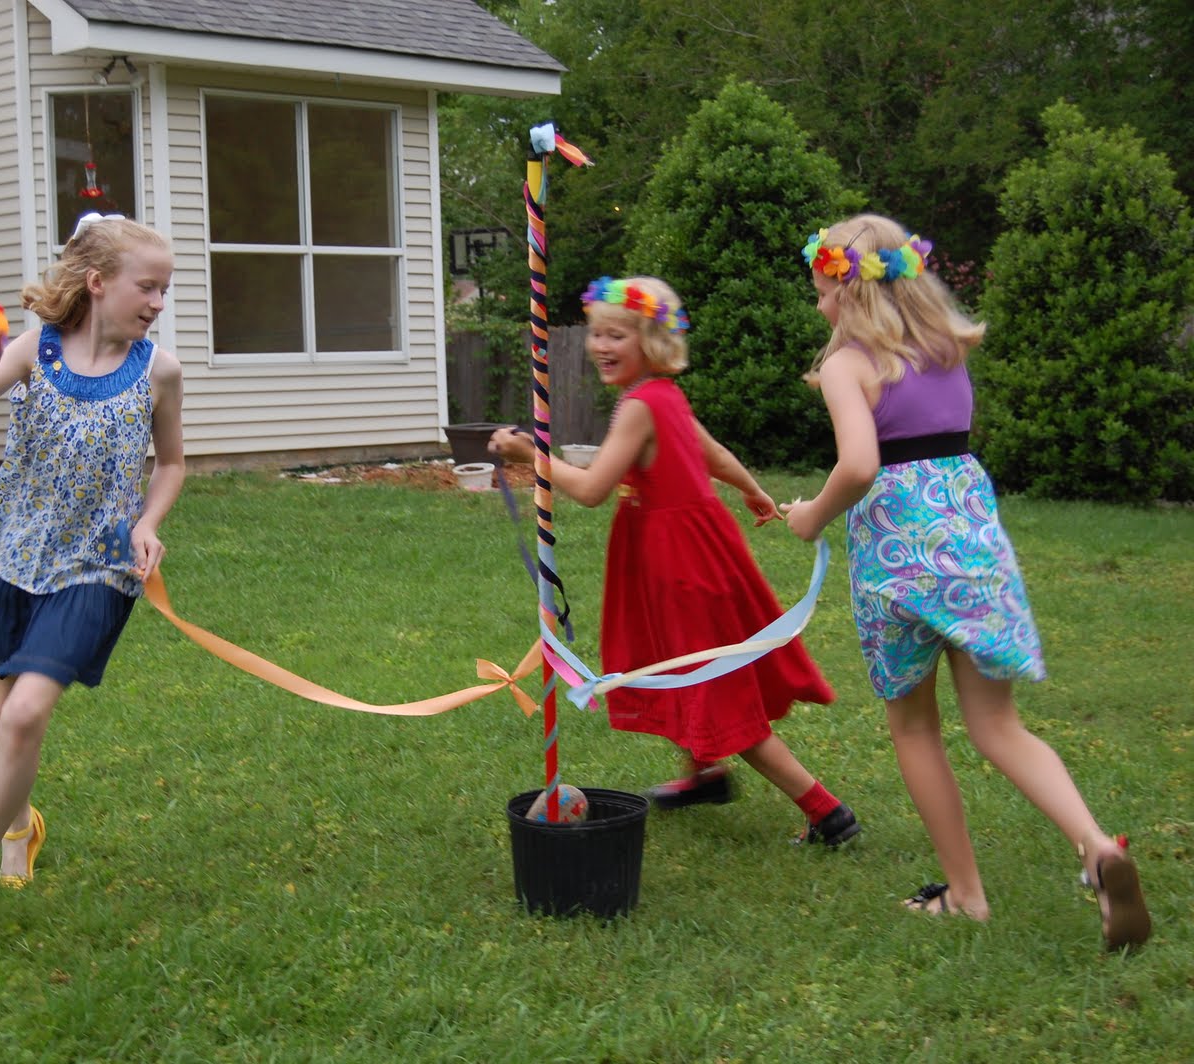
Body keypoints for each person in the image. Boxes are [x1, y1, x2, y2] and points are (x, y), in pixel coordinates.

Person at [782, 213, 1150, 949]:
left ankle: (968, 894)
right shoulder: (949, 352)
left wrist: (810, 517)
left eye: (823, 291)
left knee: (916, 728)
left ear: (851, 294)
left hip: (895, 563)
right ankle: (1095, 845)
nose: (819, 305)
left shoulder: (848, 366)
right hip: (972, 557)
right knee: (999, 727)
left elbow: (859, 465)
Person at [489, 276, 858, 847]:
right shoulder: (665, 396)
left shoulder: (640, 405)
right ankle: (704, 775)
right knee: (678, 667)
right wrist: (752, 489)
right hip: (689, 556)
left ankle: (825, 810)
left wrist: (528, 454)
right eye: (597, 334)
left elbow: (591, 489)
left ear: (652, 342)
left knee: (717, 692)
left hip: (680, 568)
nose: (601, 346)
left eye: (618, 335)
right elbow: (714, 455)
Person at [0, 213, 185, 940]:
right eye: (146, 287)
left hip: (97, 566)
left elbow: (174, 463)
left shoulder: (159, 371)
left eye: (165, 289)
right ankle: (18, 825)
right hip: (16, 558)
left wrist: (148, 523)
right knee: (7, 725)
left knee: (26, 715)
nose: (158, 302)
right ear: (98, 283)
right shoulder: (35, 350)